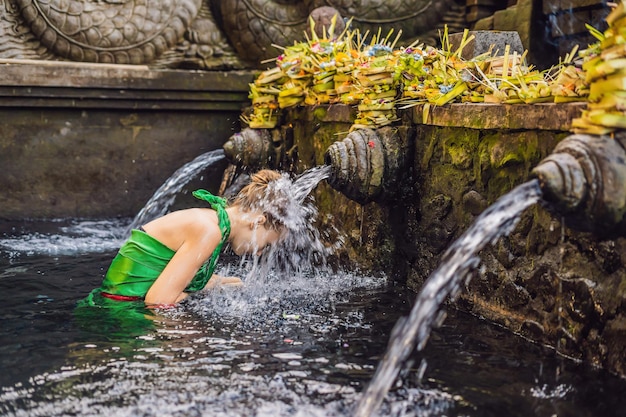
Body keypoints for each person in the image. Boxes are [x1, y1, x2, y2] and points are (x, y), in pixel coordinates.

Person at [80, 169, 288, 309]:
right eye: (266, 244)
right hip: (120, 314)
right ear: (257, 222)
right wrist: (199, 298)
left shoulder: (211, 220)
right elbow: (158, 302)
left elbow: (167, 271)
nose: (259, 252)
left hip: (108, 304)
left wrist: (216, 283)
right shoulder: (209, 231)